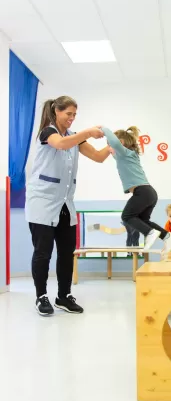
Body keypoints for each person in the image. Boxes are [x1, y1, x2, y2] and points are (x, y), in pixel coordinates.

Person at [26, 96, 112, 316]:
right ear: (56, 111)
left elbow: (98, 157)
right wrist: (88, 132)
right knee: (43, 253)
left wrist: (116, 146)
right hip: (42, 203)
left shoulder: (75, 138)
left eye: (75, 114)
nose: (72, 118)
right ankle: (41, 297)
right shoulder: (48, 132)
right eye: (69, 114)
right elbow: (62, 144)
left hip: (65, 203)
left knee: (66, 253)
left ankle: (63, 296)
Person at [102, 126, 171, 253]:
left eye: (110, 145)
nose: (109, 148)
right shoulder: (128, 155)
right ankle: (167, 236)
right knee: (143, 220)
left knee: (126, 216)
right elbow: (114, 151)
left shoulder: (124, 152)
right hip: (149, 193)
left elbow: (114, 143)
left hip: (142, 192)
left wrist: (102, 129)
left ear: (121, 143)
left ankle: (150, 233)